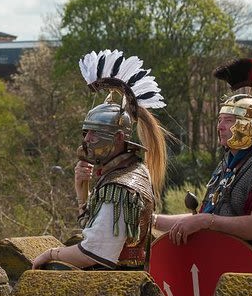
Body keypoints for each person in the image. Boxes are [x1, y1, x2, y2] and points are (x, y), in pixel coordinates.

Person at [153, 58, 252, 273]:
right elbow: (202, 218)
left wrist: (205, 221)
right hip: (216, 268)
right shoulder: (227, 165)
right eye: (219, 120)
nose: (220, 127)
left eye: (228, 120)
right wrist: (153, 220)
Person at [32, 50, 167, 270]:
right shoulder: (127, 171)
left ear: (119, 138)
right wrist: (81, 189)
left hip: (117, 291)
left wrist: (50, 254)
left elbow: (94, 253)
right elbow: (94, 229)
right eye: (86, 132)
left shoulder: (121, 186)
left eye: (95, 133)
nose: (87, 139)